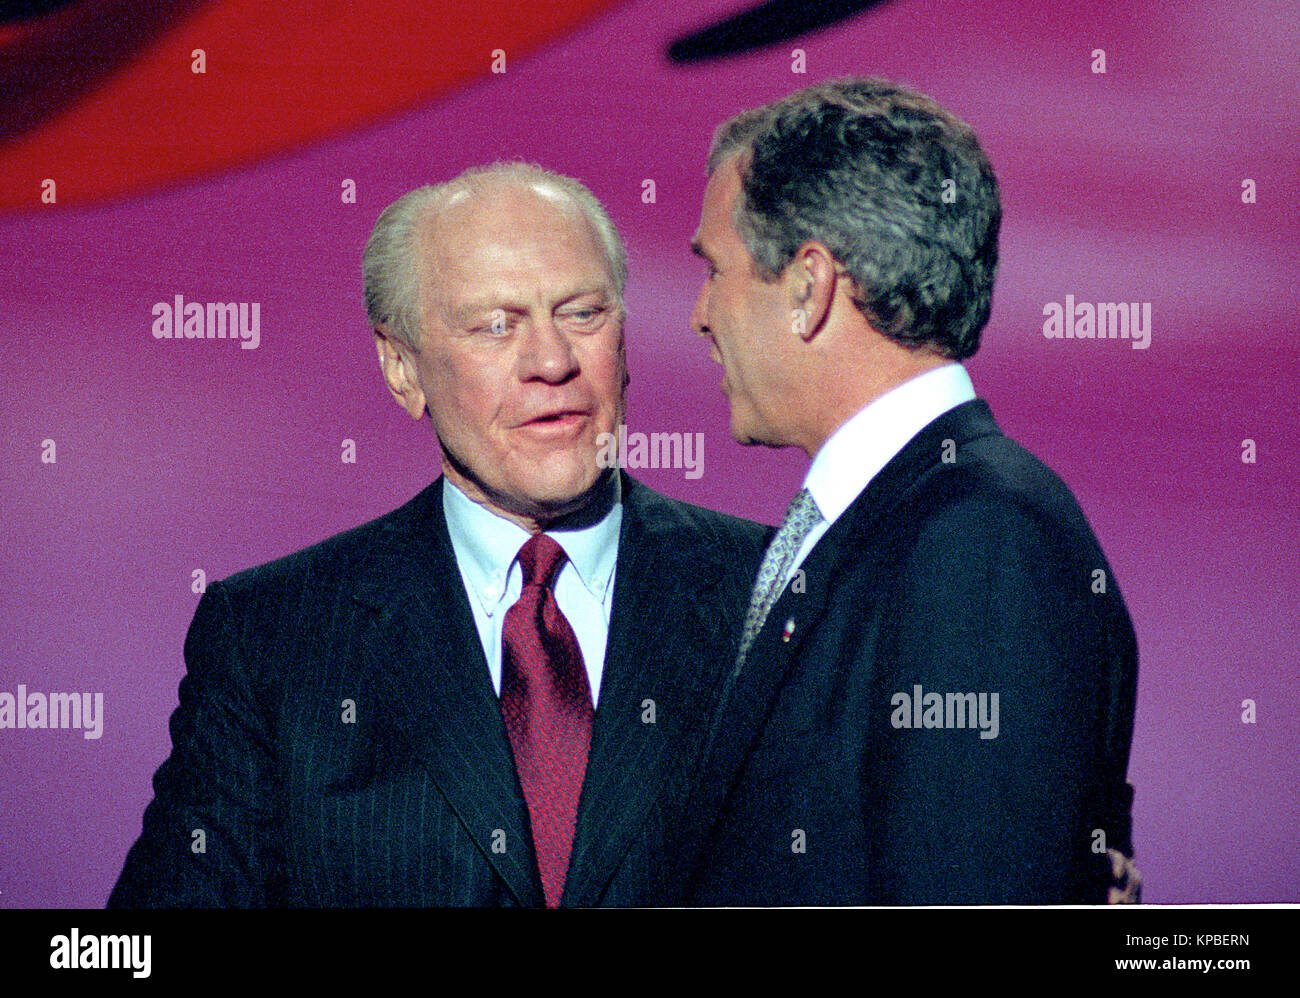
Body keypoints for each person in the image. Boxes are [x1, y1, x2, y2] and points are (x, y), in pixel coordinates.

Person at [108, 163, 766, 908]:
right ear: (401, 368)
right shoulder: (273, 639)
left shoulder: (777, 596)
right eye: (496, 325)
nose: (552, 362)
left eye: (583, 313)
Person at [675, 78, 1140, 904]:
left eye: (716, 270)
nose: (701, 314)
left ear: (810, 286)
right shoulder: (900, 520)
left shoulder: (979, 543)